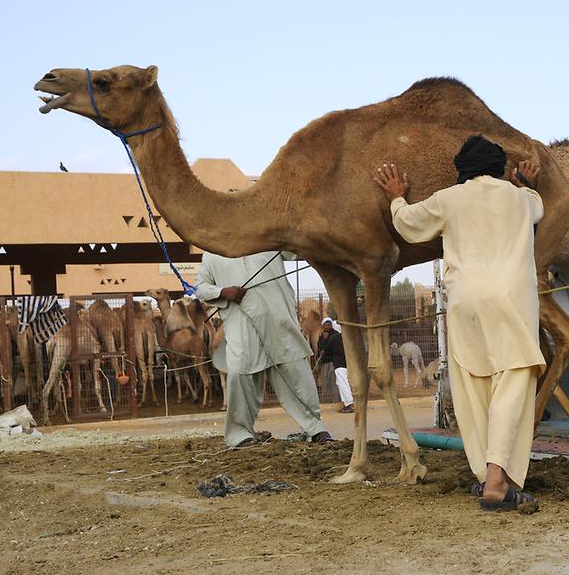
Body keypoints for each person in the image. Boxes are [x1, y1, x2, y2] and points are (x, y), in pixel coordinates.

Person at [374, 135, 544, 511]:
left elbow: (407, 224)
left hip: (465, 301)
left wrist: (396, 196)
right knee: (512, 381)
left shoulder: (449, 199)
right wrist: (525, 182)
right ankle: (498, 482)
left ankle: (488, 475)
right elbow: (537, 206)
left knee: (473, 386)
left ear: (462, 171)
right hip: (512, 301)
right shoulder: (521, 199)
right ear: (500, 169)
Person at [195, 251, 333, 447]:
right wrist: (224, 292)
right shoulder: (212, 252)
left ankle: (315, 429)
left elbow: (296, 249)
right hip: (241, 328)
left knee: (298, 374)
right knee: (240, 376)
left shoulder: (267, 237)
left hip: (280, 322)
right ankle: (239, 435)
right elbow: (201, 288)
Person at [318, 317, 354, 413]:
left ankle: (349, 404)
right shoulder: (344, 337)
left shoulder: (335, 337)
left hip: (338, 364)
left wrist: (323, 349)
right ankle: (348, 404)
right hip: (345, 363)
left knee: (343, 383)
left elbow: (326, 348)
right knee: (341, 382)